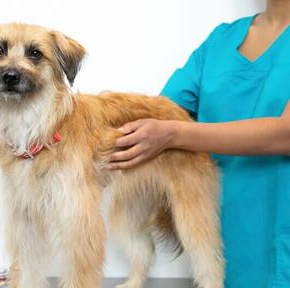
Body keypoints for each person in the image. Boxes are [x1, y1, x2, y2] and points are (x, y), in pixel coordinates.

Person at [107, 1, 290, 287]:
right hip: (216, 235)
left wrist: (174, 134)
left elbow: (285, 134)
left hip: (279, 235)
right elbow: (160, 112)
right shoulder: (220, 41)